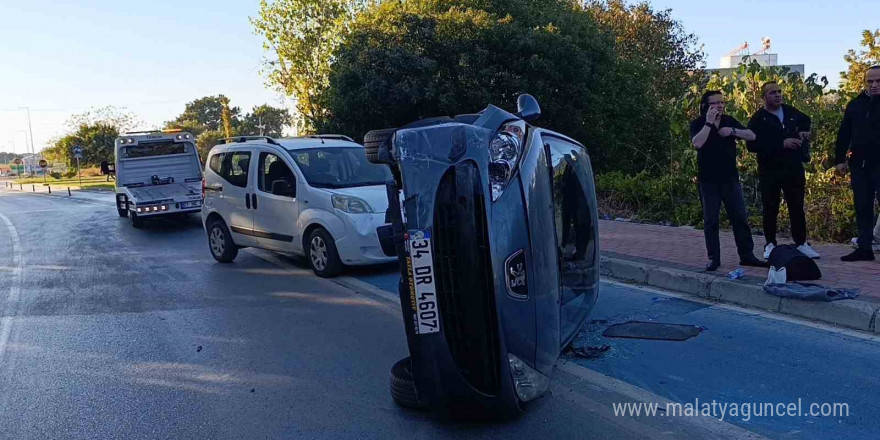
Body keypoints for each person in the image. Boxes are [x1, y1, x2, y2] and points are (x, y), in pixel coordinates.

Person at [690, 90, 765, 271]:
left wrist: (732, 131)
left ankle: (746, 255)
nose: (720, 106)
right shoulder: (698, 123)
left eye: (722, 103)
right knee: (711, 221)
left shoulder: (729, 120)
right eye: (715, 103)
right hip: (708, 181)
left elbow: (752, 135)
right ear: (705, 106)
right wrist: (709, 124)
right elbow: (697, 143)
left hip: (730, 179)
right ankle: (714, 258)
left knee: (740, 217)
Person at [747, 82, 821, 260]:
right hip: (770, 170)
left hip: (793, 167)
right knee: (770, 207)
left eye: (779, 92)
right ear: (764, 97)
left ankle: (801, 243)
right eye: (773, 93)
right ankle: (770, 244)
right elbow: (752, 144)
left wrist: (803, 132)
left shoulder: (790, 112)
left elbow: (806, 120)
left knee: (796, 206)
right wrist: (781, 144)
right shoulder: (758, 119)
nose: (778, 95)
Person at [836, 65, 880, 262]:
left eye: (878, 81)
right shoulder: (855, 105)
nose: (874, 85)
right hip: (860, 164)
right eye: (870, 81)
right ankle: (864, 248)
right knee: (862, 206)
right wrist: (839, 160)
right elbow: (844, 133)